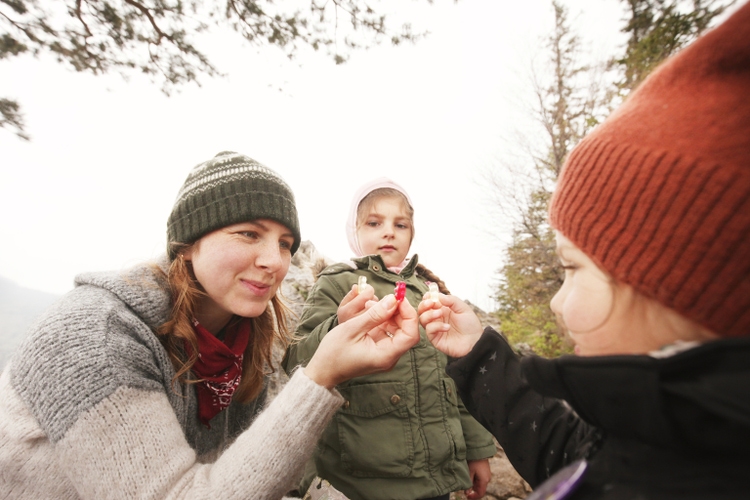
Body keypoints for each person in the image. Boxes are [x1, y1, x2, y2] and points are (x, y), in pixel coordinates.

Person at [418, 4, 750, 499]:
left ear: (675, 286)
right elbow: (574, 453)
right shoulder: (661, 443)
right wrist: (478, 354)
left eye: (572, 268)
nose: (556, 301)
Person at [0, 151, 420, 499]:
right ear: (187, 245)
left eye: (285, 244)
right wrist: (320, 377)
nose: (274, 262)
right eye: (248, 234)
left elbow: (238, 469)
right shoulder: (96, 340)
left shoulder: (240, 342)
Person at [283, 179, 496, 500]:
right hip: (360, 480)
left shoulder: (430, 291)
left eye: (400, 224)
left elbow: (457, 378)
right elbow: (296, 361)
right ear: (353, 231)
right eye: (374, 222)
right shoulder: (337, 283)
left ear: (412, 233)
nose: (388, 232)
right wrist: (338, 325)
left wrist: (477, 449)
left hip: (435, 480)